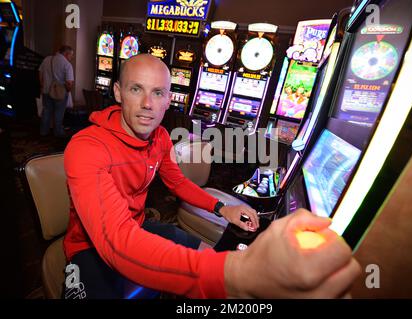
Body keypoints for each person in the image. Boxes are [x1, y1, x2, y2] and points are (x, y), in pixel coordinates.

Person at [63, 54, 360, 299]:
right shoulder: (88, 147)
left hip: (139, 226)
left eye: (158, 93)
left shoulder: (161, 138)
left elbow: (177, 182)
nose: (147, 105)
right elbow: (116, 243)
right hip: (88, 248)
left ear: (169, 99)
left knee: (204, 250)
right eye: (135, 89)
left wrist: (223, 208)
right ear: (117, 92)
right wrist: (238, 273)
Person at [39, 45, 74, 137]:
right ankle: (58, 133)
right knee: (59, 113)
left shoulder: (47, 59)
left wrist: (43, 86)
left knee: (46, 111)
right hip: (60, 93)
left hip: (46, 90)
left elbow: (40, 73)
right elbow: (69, 83)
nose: (71, 58)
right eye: (71, 55)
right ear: (66, 54)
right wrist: (68, 90)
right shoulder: (67, 65)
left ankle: (43, 132)